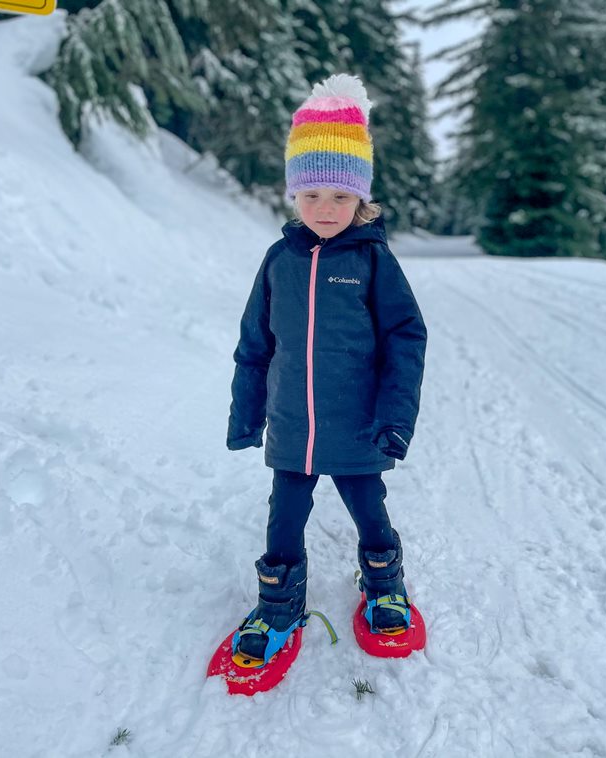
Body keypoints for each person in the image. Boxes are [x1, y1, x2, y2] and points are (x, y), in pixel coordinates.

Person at [226, 73, 427, 665]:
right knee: (284, 515)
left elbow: (406, 339)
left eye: (341, 197)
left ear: (361, 199)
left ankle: (383, 582)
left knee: (369, 507)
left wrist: (395, 418)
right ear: (293, 195)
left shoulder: (373, 261)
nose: (325, 209)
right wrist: (247, 414)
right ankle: (280, 603)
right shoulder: (278, 261)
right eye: (312, 195)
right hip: (292, 428)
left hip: (358, 427)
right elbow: (253, 343)